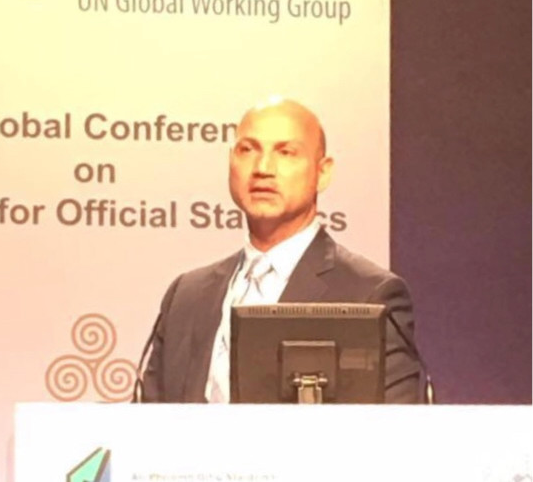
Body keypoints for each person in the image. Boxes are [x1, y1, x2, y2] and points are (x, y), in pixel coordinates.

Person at [142, 97, 422, 403]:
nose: (263, 168)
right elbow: (147, 422)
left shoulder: (370, 295)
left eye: (285, 152)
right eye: (247, 150)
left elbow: (396, 425)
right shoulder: (186, 297)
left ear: (323, 172)